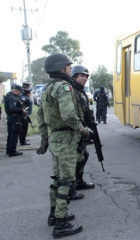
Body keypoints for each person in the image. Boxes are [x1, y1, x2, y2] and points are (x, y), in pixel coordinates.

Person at [36, 53, 90, 238]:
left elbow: (41, 117)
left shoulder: (47, 88)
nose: (70, 68)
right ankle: (60, 224)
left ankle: (54, 215)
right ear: (61, 68)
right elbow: (68, 116)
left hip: (54, 138)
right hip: (66, 138)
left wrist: (44, 139)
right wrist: (82, 129)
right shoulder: (63, 87)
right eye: (68, 66)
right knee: (66, 181)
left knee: (57, 180)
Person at [71, 65, 95, 191]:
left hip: (82, 127)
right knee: (77, 157)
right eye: (82, 75)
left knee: (83, 155)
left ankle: (78, 181)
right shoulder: (72, 91)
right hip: (75, 129)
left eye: (86, 76)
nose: (85, 78)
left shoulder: (81, 91)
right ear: (75, 76)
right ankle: (73, 184)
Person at [4, 84, 26, 157]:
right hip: (14, 119)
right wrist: (21, 110)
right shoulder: (12, 98)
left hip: (10, 118)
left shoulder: (8, 96)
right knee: (14, 135)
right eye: (20, 92)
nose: (20, 93)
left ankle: (9, 150)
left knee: (10, 134)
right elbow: (12, 108)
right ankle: (12, 151)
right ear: (16, 91)